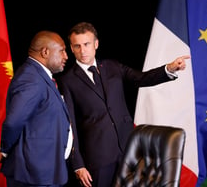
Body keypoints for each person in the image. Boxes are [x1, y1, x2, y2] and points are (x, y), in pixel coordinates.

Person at [58, 22, 190, 187]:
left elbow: (142, 78)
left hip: (129, 150)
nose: (82, 50)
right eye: (77, 46)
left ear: (96, 44)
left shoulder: (113, 66)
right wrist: (78, 164)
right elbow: (69, 126)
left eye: (86, 44)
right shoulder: (67, 81)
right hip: (98, 159)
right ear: (71, 48)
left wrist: (169, 68)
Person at [0, 30, 73, 187]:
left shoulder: (38, 76)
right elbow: (13, 122)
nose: (66, 56)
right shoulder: (31, 79)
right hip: (34, 175)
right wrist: (4, 149)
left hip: (44, 170)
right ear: (45, 52)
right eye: (62, 50)